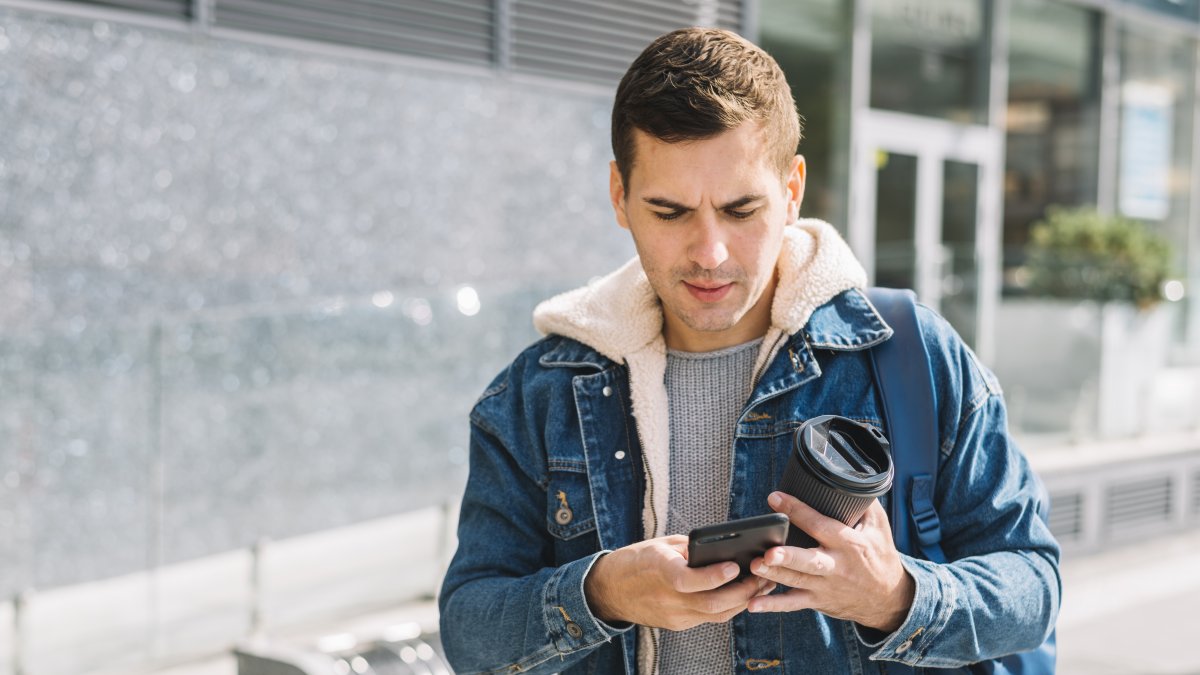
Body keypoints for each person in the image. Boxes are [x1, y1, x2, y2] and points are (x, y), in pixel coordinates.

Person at [438, 27, 1060, 674]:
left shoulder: (913, 355)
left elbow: (1033, 585)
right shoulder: (538, 393)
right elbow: (468, 631)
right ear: (619, 195)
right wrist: (604, 591)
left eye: (741, 209)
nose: (710, 252)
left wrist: (895, 597)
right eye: (670, 211)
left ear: (792, 190)